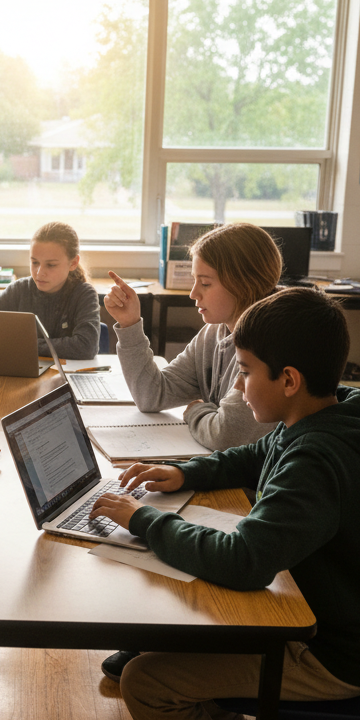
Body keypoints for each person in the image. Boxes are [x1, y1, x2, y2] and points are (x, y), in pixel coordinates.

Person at [88, 287, 360, 720]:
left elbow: (244, 563)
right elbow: (258, 455)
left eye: (244, 372)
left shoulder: (318, 459)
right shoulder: (332, 414)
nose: (237, 386)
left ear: (287, 379)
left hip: (331, 652)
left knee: (146, 680)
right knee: (169, 641)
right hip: (332, 617)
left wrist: (144, 522)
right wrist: (186, 473)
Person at [99, 222, 285, 684]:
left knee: (155, 523)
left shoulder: (266, 341)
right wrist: (129, 326)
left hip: (254, 494)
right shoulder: (216, 333)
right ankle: (163, 638)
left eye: (205, 283)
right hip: (234, 476)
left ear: (242, 284)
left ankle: (174, 642)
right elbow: (153, 392)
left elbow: (227, 436)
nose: (192, 294)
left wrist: (197, 409)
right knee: (152, 506)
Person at [0, 221, 101, 359]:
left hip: (67, 377)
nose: (39, 273)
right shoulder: (19, 290)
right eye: (35, 262)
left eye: (51, 265)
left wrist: (23, 345)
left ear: (73, 263)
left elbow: (86, 346)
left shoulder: (84, 294)